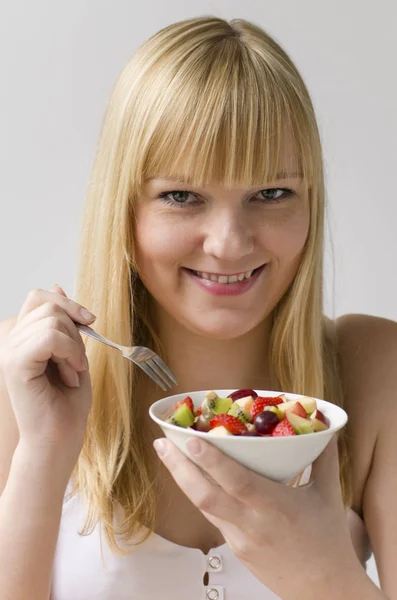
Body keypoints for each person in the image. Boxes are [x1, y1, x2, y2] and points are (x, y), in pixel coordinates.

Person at [0, 16, 395, 600]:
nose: (229, 243)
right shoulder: (28, 372)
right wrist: (43, 456)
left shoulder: (377, 370)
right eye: (181, 196)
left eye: (272, 193)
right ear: (124, 208)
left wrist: (324, 578)